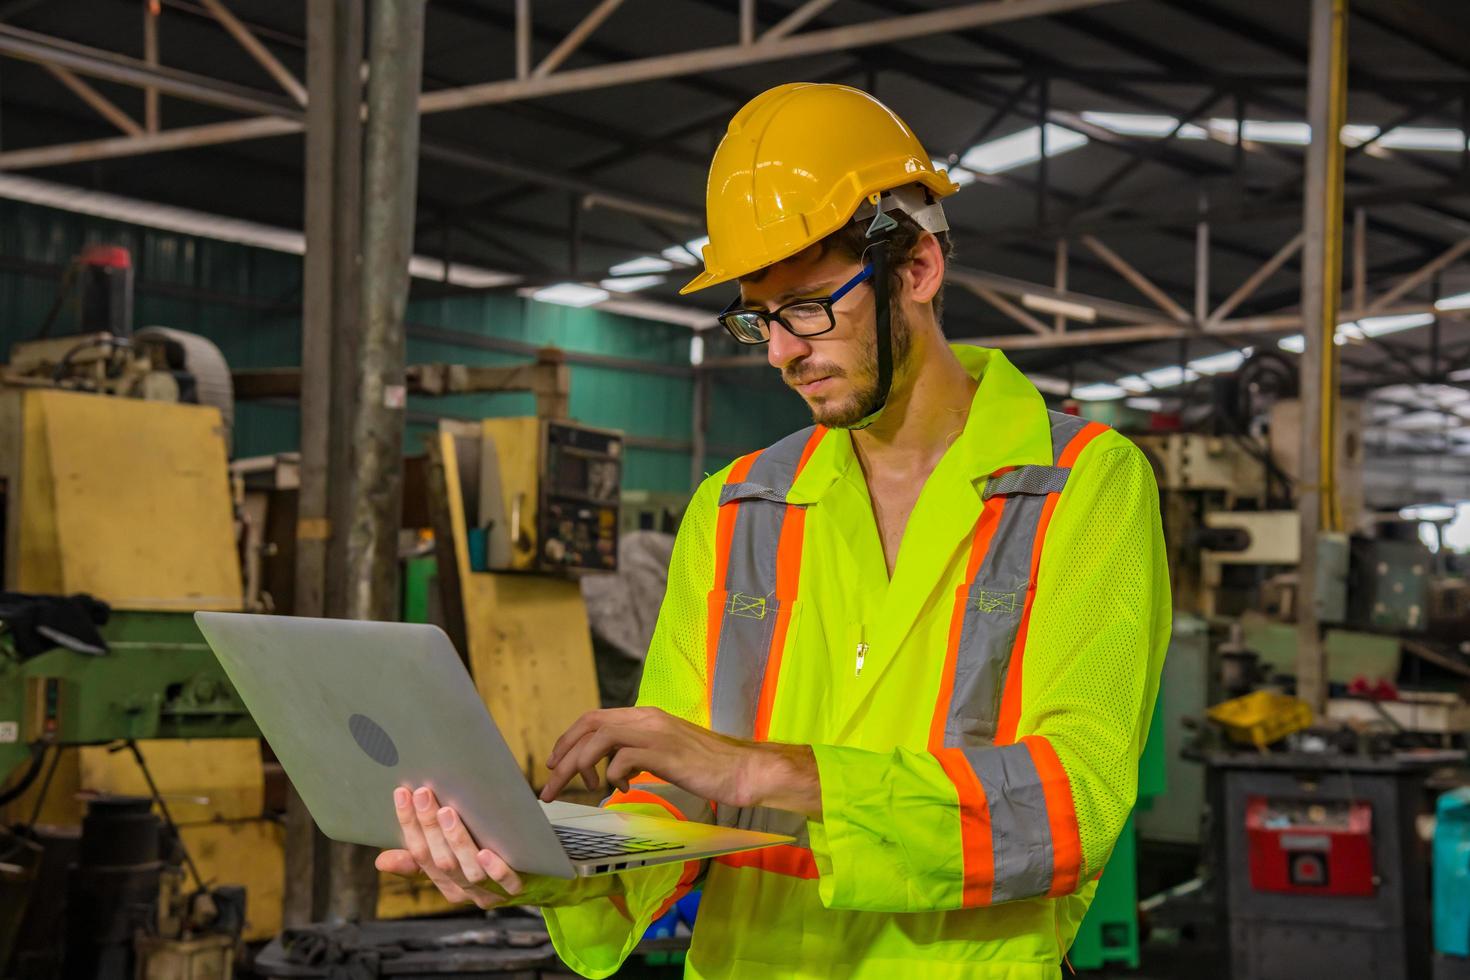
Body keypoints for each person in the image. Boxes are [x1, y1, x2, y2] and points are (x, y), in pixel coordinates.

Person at [377, 82, 1171, 979]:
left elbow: (1077, 803)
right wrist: (534, 869)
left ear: (916, 269)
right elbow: (675, 794)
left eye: (807, 307)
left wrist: (763, 771)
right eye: (759, 316)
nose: (782, 352)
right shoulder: (738, 506)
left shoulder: (1083, 486)